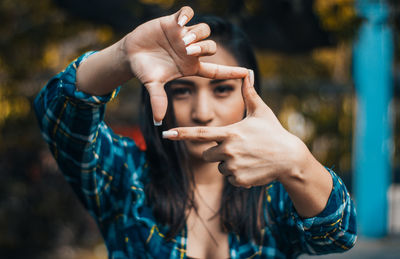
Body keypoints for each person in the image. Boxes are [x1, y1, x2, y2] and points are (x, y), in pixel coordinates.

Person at [34, 6, 356, 259]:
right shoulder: (125, 176)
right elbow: (58, 113)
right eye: (183, 90)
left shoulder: (274, 194)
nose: (202, 111)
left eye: (222, 90)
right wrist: (123, 56)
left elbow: (339, 233)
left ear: (249, 95)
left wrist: (296, 160)